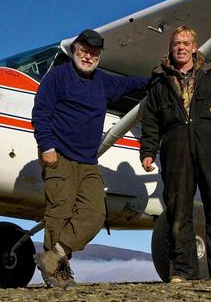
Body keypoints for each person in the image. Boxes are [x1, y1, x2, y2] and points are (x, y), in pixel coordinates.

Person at [32, 29, 148, 288]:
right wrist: (46, 146)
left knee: (96, 214)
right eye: (84, 51)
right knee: (59, 210)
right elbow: (41, 112)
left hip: (88, 161)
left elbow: (129, 84)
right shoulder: (57, 77)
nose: (88, 57)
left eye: (94, 53)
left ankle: (55, 255)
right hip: (59, 156)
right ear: (74, 51)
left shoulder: (102, 81)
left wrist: (155, 78)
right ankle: (58, 273)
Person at [140, 25, 211, 283]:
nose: (181, 47)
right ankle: (182, 271)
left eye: (186, 43)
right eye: (177, 43)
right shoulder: (159, 81)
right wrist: (148, 150)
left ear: (195, 47)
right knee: (178, 209)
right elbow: (151, 120)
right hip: (175, 150)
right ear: (171, 47)